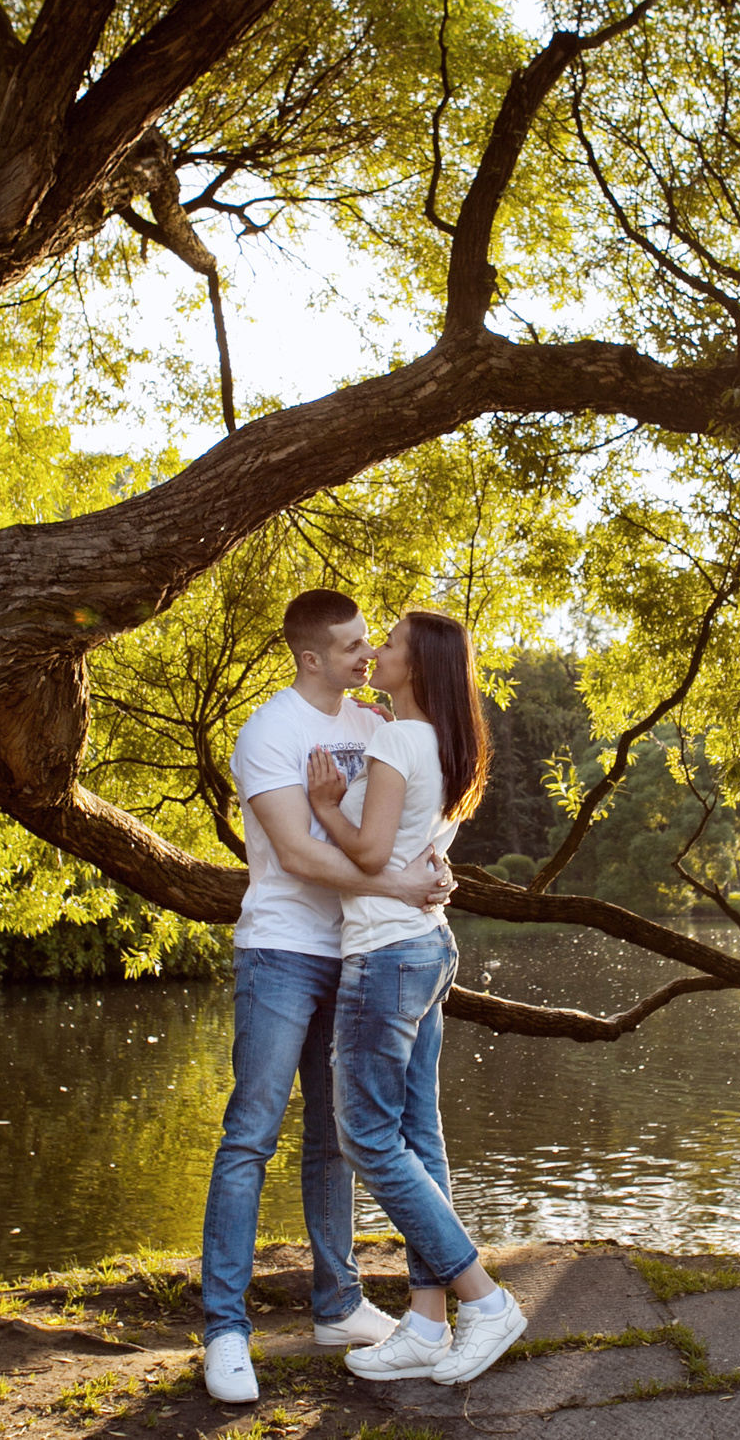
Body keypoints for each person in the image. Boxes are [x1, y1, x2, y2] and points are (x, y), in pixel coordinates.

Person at [199, 589, 456, 1405]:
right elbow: (304, 857)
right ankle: (225, 1329)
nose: (365, 654)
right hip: (280, 948)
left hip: (358, 954)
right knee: (251, 1133)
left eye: (368, 641)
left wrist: (434, 870)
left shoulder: (376, 729)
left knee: (335, 1139)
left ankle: (338, 1304)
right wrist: (403, 878)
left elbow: (405, 823)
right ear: (312, 657)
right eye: (350, 645)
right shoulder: (270, 731)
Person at [302, 608, 525, 1386]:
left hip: (387, 951)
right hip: (427, 947)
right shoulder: (438, 742)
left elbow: (366, 852)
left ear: (418, 666)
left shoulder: (399, 741)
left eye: (389, 644)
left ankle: (485, 1300)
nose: (376, 653)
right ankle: (428, 1323)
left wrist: (329, 803)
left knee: (365, 1136)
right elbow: (402, 843)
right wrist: (372, 730)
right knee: (417, 1138)